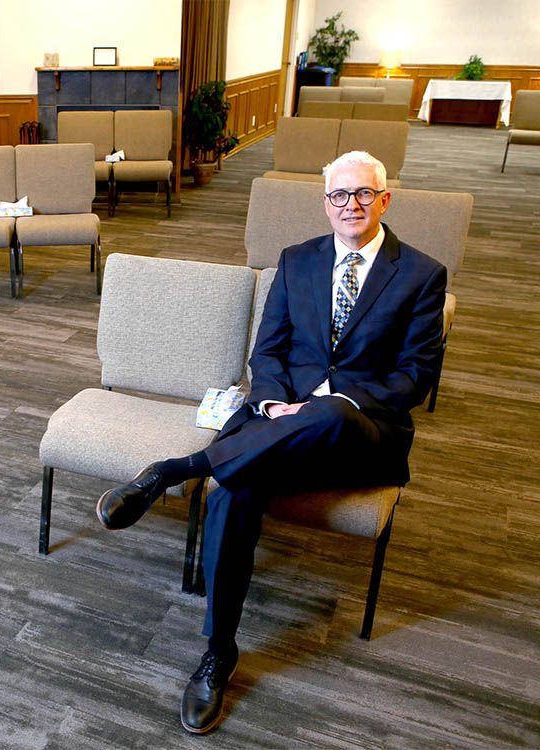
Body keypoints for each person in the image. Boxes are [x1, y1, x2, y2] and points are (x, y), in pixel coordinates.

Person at [95, 150, 447, 735]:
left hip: (361, 429)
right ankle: (220, 651)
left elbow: (415, 376)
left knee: (330, 413)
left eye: (363, 194)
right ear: (325, 202)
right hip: (278, 416)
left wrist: (328, 405)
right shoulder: (299, 260)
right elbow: (269, 349)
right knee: (233, 488)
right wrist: (271, 403)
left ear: (384, 200)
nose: (350, 205)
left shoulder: (420, 274)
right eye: (339, 195)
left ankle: (174, 470)